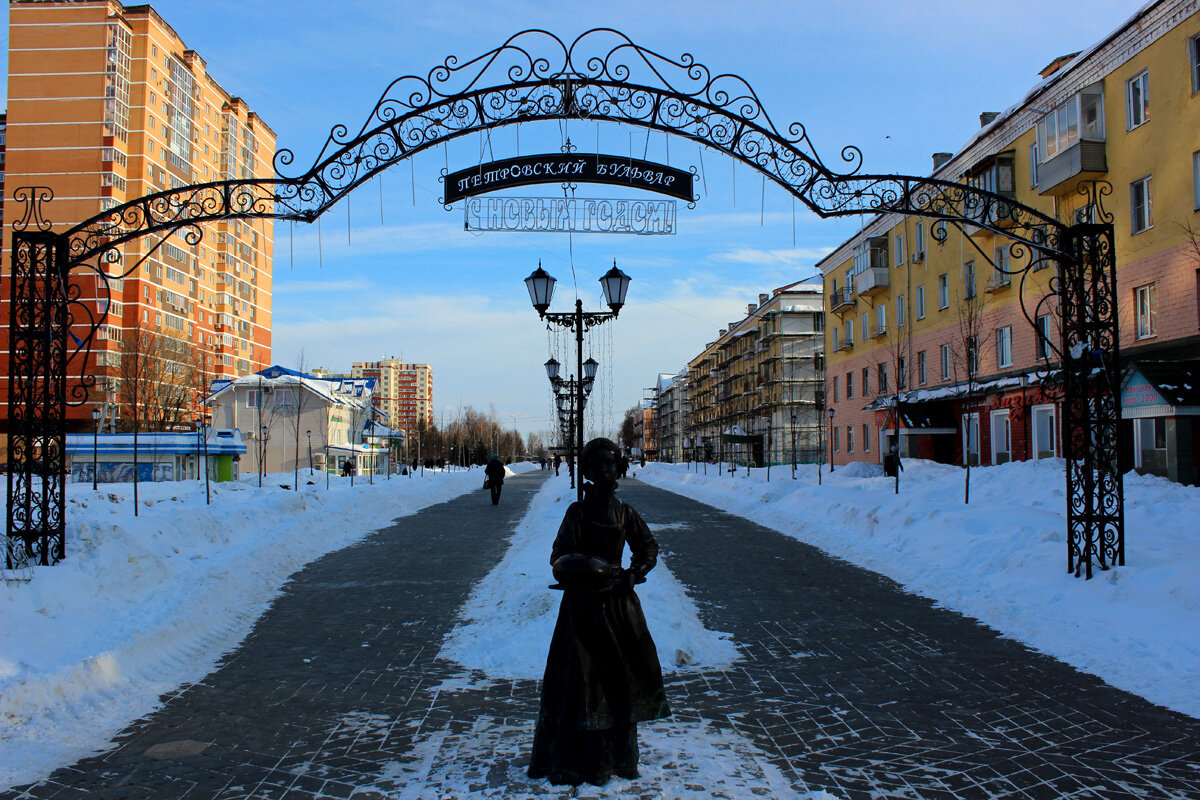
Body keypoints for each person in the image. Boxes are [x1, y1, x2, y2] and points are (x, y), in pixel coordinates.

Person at [528, 438, 670, 787]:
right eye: (597, 465)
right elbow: (558, 556)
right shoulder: (576, 513)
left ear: (617, 468)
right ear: (588, 471)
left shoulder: (624, 513)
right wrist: (582, 568)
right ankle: (573, 759)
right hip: (580, 610)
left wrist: (633, 574)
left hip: (618, 608)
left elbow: (648, 546)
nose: (604, 470)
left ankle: (616, 758)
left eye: (610, 464)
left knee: (615, 680)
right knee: (578, 680)